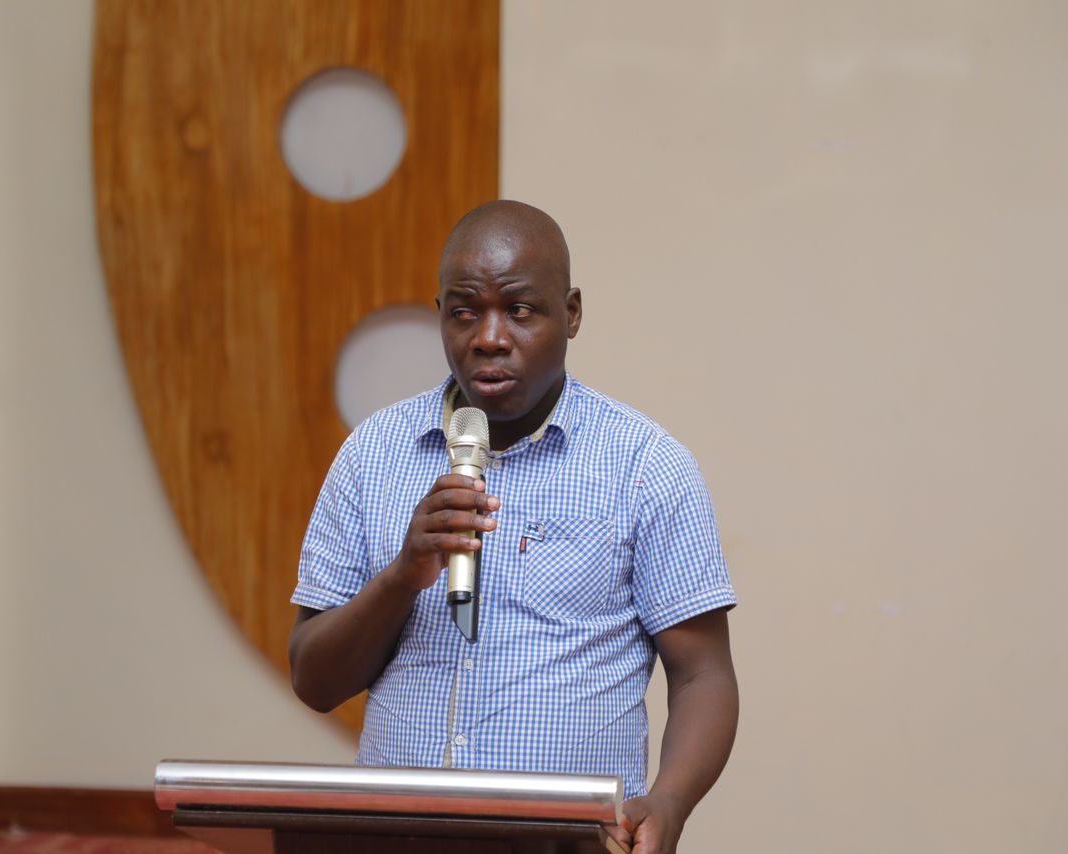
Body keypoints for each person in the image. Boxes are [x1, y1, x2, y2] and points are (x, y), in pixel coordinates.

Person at [288, 200, 738, 854]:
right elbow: (314, 680)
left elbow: (703, 677)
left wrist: (669, 801)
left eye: (520, 310)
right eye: (464, 310)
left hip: (569, 844)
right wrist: (401, 577)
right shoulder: (373, 456)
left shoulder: (646, 466)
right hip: (400, 841)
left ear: (572, 312)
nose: (489, 337)